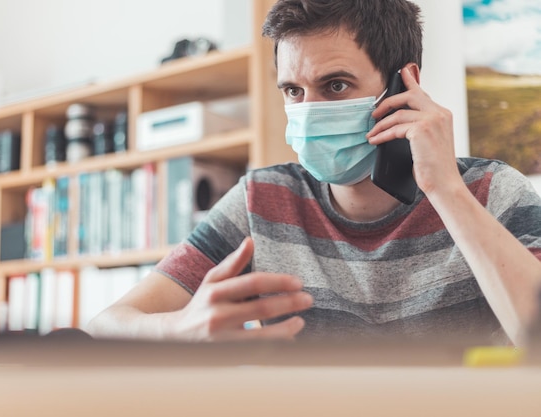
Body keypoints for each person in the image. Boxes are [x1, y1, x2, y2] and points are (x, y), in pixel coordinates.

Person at [87, 0, 541, 347]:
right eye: (293, 90)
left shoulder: (494, 192)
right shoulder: (262, 199)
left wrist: (446, 191)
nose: (308, 113)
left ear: (406, 85)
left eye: (335, 85)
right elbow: (104, 325)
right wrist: (180, 327)